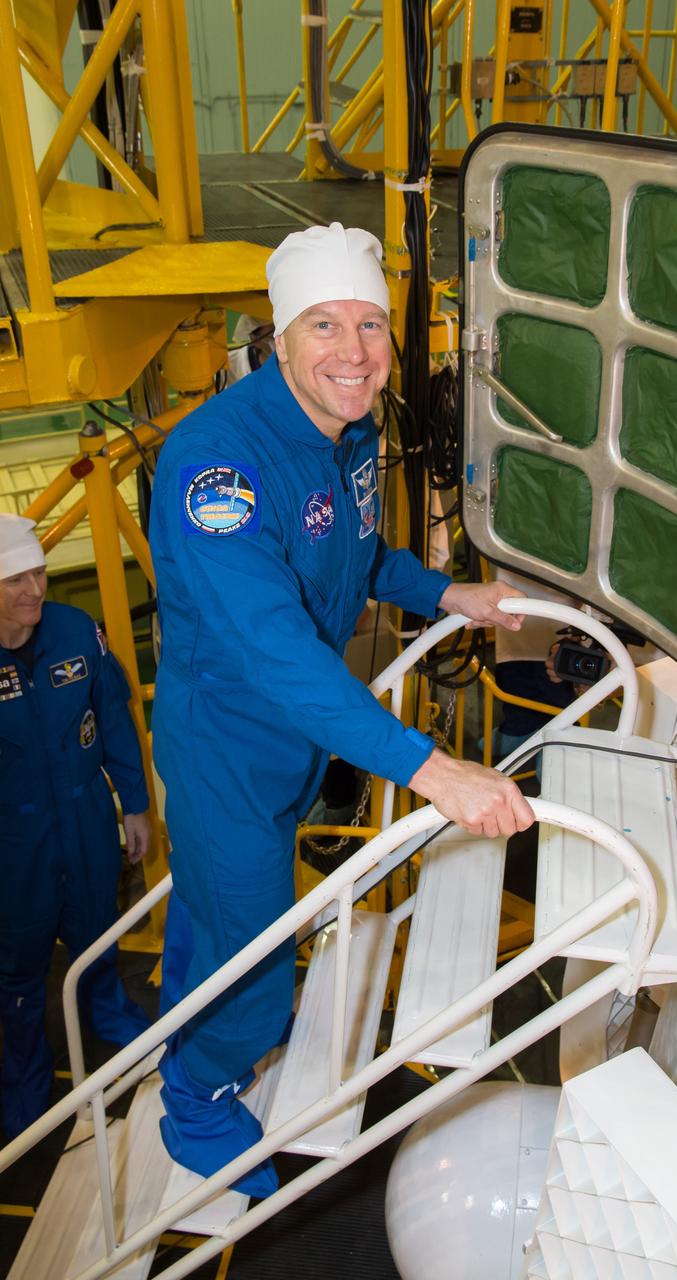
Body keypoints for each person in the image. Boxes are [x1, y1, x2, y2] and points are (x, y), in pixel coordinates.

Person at [149, 222, 535, 1196]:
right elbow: (274, 648)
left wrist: (450, 593)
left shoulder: (349, 429)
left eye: (370, 324)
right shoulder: (215, 468)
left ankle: (179, 1013)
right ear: (279, 339)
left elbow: (357, 556)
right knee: (255, 967)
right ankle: (195, 1095)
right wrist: (431, 769)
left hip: (297, 740)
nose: (354, 352)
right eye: (324, 325)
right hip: (228, 751)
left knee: (214, 904)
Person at [0, 514, 151, 1139]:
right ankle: (26, 1074)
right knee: (18, 963)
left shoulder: (76, 631)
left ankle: (108, 1013)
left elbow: (112, 717)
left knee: (96, 928)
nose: (34, 589)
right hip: (14, 841)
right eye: (15, 580)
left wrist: (135, 805)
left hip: (86, 816)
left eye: (38, 573)